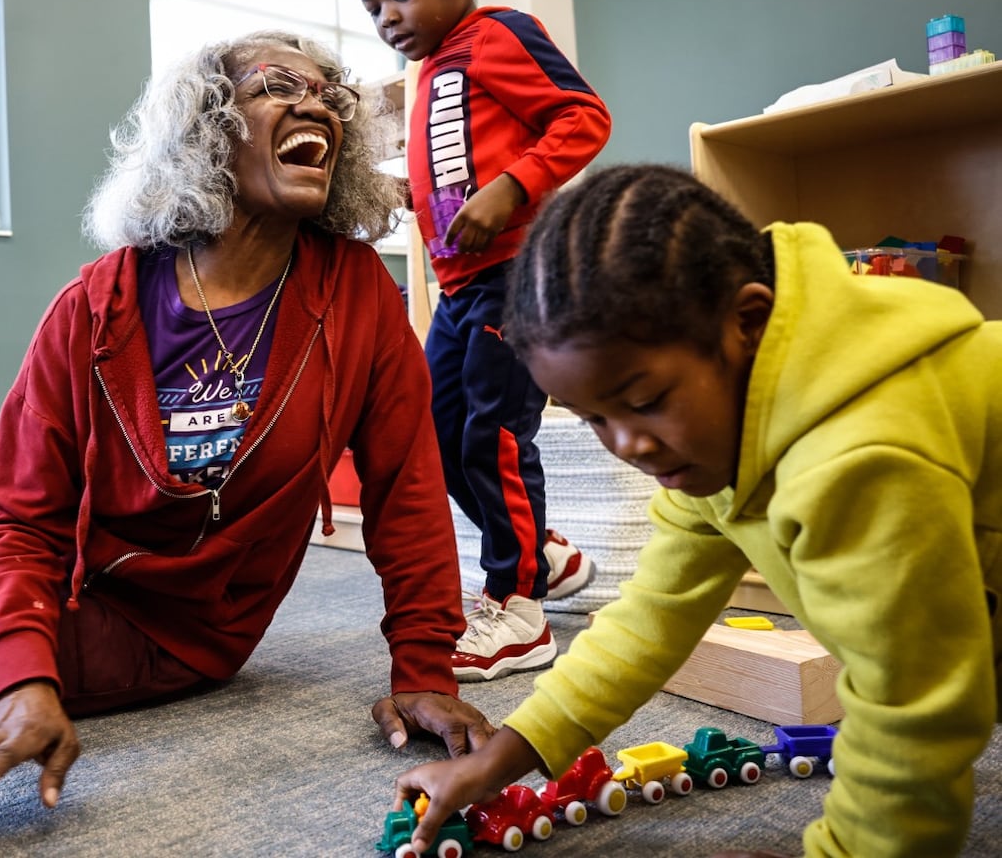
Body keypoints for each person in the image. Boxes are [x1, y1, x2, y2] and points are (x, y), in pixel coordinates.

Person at [0, 30, 496, 805]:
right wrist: (19, 673)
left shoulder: (357, 296)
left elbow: (407, 493)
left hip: (160, 620)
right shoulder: (97, 301)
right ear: (207, 131)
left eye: (329, 97)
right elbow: (19, 516)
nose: (317, 107)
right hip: (56, 535)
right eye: (277, 87)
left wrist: (423, 670)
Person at [391, 164, 1002, 858]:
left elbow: (913, 713)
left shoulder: (862, 455)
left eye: (645, 400)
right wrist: (503, 756)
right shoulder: (716, 444)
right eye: (595, 418)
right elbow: (648, 619)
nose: (628, 445)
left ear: (747, 322)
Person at [351, 0, 613, 681]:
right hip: (461, 287)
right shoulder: (430, 69)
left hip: (517, 271)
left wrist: (511, 188)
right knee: (431, 434)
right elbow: (451, 166)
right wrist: (406, 193)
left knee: (492, 431)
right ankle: (546, 558)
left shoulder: (496, 35)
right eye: (372, 5)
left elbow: (582, 116)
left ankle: (521, 608)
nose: (389, 15)